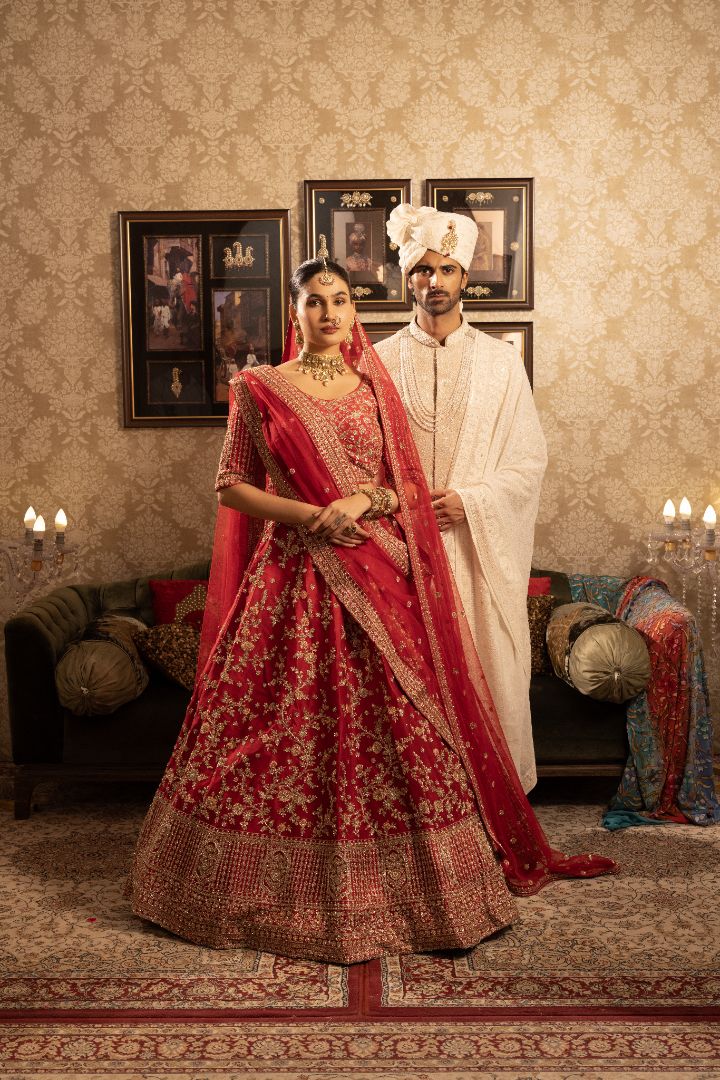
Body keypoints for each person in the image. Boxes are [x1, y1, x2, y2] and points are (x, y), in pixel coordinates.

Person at [127, 253, 615, 964]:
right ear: (293, 313)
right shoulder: (259, 387)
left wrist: (361, 501)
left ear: (355, 311)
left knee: (408, 725)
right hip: (290, 578)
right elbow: (231, 484)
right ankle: (249, 886)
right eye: (314, 301)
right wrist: (308, 514)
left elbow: (402, 487)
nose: (328, 313)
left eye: (341, 300)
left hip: (376, 567)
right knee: (270, 728)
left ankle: (426, 892)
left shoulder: (373, 388)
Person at [376, 205, 546, 793]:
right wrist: (402, 510)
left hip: (475, 556)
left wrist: (470, 501)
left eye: (447, 269)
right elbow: (358, 457)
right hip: (398, 553)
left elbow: (528, 463)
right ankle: (420, 815)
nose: (435, 282)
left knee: (486, 671)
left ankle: (490, 806)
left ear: (465, 278)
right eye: (423, 270)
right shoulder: (377, 361)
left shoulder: (502, 362)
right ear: (407, 279)